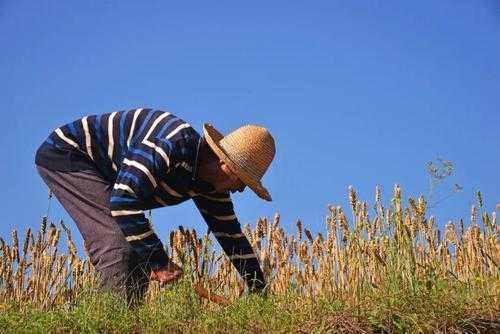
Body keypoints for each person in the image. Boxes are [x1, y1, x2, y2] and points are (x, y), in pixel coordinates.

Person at [35, 107, 276, 306]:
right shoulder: (172, 146)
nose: (241, 190)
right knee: (118, 242)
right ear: (226, 166)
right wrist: (160, 262)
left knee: (137, 245)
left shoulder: (210, 186)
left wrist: (260, 294)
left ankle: (130, 323)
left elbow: (232, 237)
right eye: (243, 182)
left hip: (112, 174)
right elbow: (122, 201)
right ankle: (110, 324)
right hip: (70, 154)